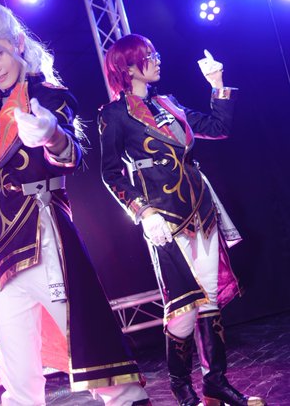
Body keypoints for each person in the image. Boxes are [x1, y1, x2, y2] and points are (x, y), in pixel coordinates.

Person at [0, 0, 150, 406]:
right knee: (15, 367)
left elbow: (72, 156)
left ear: (17, 42)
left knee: (86, 338)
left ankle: (128, 399)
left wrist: (52, 134)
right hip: (0, 252)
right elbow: (3, 184)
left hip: (44, 237)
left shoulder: (49, 96)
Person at [99, 33, 265, 406]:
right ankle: (181, 387)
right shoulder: (113, 115)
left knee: (209, 300)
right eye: (149, 55)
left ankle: (215, 382)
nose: (157, 59)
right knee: (183, 306)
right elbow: (110, 175)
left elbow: (218, 127)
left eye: (156, 53)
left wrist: (217, 84)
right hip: (164, 219)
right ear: (128, 67)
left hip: (201, 209)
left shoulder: (168, 103)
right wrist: (142, 212)